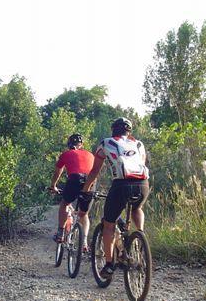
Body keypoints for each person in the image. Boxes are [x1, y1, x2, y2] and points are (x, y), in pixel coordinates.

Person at [82, 117, 149, 279]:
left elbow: (95, 171)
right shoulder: (139, 144)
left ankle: (110, 264)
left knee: (109, 223)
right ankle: (140, 238)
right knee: (137, 208)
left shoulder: (107, 142)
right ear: (129, 131)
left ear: (114, 130)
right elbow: (141, 163)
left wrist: (86, 189)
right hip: (143, 185)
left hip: (121, 185)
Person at [49, 133, 95, 249]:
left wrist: (53, 186)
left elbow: (58, 172)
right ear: (81, 145)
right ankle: (84, 242)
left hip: (75, 179)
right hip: (90, 182)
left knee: (65, 203)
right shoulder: (90, 155)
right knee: (84, 214)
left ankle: (60, 233)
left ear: (69, 145)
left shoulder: (66, 154)